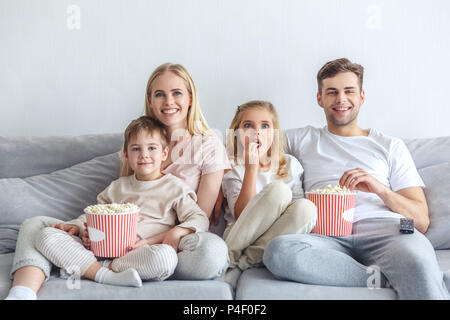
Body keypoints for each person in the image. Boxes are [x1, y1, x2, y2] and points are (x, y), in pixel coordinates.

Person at [6, 63, 230, 300]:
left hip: (171, 245)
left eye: (177, 93)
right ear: (150, 100)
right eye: (160, 94)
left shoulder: (208, 146)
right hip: (117, 240)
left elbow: (198, 217)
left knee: (211, 252)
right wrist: (81, 227)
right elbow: (117, 206)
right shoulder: (135, 141)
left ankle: (87, 265)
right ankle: (23, 293)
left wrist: (159, 239)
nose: (168, 102)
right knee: (36, 226)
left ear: (191, 98)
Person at [262, 58, 449, 300]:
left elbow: (421, 221)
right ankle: (381, 278)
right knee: (278, 252)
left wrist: (380, 189)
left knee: (418, 261)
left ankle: (408, 273)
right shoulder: (303, 139)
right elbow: (249, 140)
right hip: (326, 235)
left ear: (361, 97)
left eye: (349, 91)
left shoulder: (390, 146)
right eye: (332, 92)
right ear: (319, 99)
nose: (341, 99)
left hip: (386, 230)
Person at [33, 116, 210, 287]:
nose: (144, 155)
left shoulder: (175, 188)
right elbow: (93, 216)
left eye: (151, 148)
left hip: (141, 254)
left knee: (166, 258)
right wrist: (78, 228)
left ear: (164, 153)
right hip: (100, 251)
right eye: (136, 149)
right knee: (45, 235)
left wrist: (176, 231)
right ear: (126, 154)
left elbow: (200, 218)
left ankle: (98, 270)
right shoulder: (117, 187)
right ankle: (105, 274)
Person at [221, 100, 317, 274]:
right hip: (239, 236)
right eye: (248, 125)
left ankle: (243, 263)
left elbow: (296, 214)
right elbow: (241, 215)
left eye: (265, 126)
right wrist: (251, 168)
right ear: (237, 133)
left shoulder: (290, 164)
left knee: (307, 208)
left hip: (274, 237)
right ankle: (229, 256)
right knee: (278, 191)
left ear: (274, 133)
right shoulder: (233, 166)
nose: (257, 132)